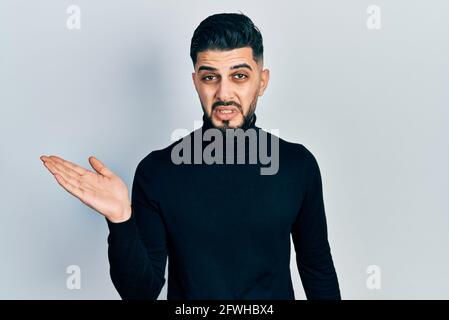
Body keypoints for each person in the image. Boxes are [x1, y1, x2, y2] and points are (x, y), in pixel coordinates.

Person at [40, 12, 341, 300]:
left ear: (261, 81)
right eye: (210, 77)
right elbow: (140, 293)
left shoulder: (296, 166)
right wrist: (121, 220)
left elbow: (318, 270)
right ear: (196, 81)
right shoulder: (157, 172)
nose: (224, 93)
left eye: (239, 76)